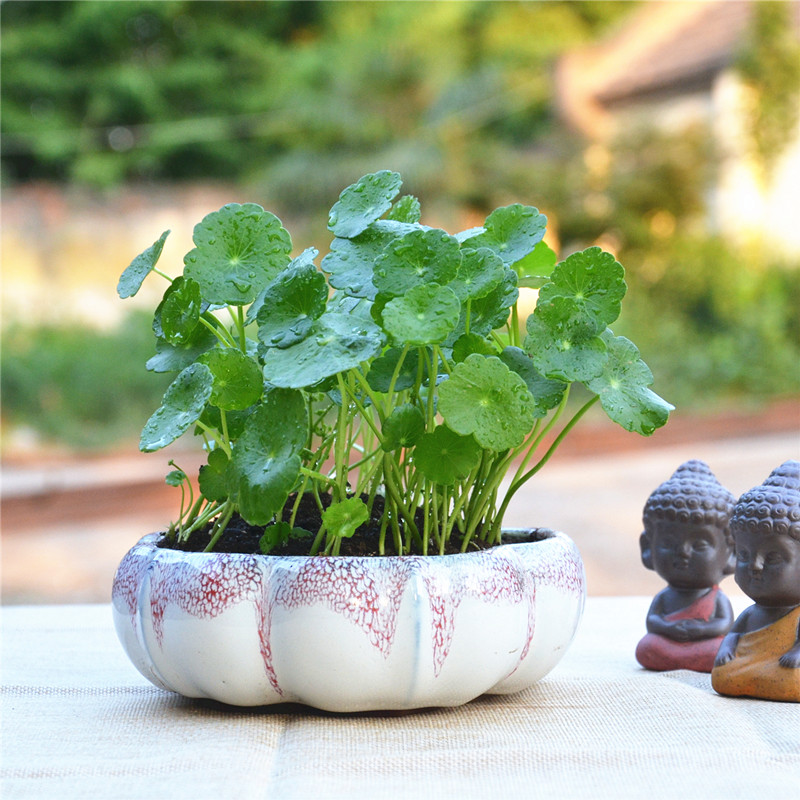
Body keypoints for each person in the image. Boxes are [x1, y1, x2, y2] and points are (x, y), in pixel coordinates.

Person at [712, 460, 800, 702]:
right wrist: (727, 649)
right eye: (744, 555)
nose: (755, 566)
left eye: (772, 557)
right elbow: (733, 634)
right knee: (723, 674)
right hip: (750, 664)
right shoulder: (752, 614)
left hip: (785, 666)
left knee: (793, 678)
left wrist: (796, 653)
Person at [636, 460, 736, 672]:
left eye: (700, 544)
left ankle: (688, 658)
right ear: (648, 549)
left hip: (705, 643)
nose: (683, 552)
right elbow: (653, 621)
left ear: (733, 555)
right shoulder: (665, 597)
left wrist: (701, 629)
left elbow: (725, 624)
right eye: (669, 543)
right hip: (666, 643)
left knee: (720, 648)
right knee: (648, 646)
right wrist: (669, 627)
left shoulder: (716, 598)